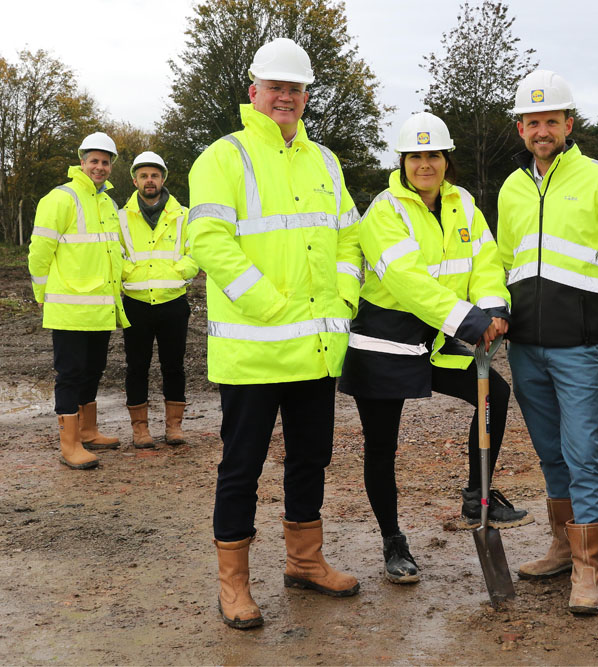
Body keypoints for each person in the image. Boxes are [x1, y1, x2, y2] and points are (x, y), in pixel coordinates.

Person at [187, 38, 363, 629]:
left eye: (296, 88)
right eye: (276, 86)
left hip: (315, 349)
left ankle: (304, 562)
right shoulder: (222, 157)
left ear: (306, 95)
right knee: (242, 466)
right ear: (253, 91)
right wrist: (267, 303)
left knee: (310, 460)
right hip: (254, 352)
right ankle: (233, 584)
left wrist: (343, 298)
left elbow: (347, 238)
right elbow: (208, 242)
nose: (286, 96)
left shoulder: (326, 161)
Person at [339, 112, 530, 585]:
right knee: (382, 446)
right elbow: (408, 282)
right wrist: (469, 321)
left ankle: (476, 495)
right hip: (386, 340)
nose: (425, 164)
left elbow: (485, 261)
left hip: (440, 336)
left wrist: (493, 307)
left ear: (447, 160)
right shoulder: (385, 210)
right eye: (416, 156)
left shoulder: (463, 203)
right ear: (402, 162)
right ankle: (392, 541)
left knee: (494, 396)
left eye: (434, 155)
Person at [496, 69, 598, 614]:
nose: (541, 130)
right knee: (551, 452)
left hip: (576, 345)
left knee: (583, 454)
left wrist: (595, 315)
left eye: (551, 120)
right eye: (532, 122)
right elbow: (504, 261)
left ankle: (588, 568)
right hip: (524, 345)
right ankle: (561, 546)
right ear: (520, 128)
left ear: (568, 124)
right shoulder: (511, 187)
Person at [28, 132, 129, 469]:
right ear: (82, 161)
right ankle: (69, 444)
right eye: (94, 160)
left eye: (105, 162)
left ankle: (88, 430)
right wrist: (41, 294)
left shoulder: (108, 203)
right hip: (69, 307)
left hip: (99, 309)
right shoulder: (60, 198)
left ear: (111, 166)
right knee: (69, 374)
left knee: (93, 370)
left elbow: (112, 254)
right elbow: (40, 252)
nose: (99, 167)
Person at [118, 151, 197, 448]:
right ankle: (140, 430)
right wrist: (130, 273)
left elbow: (195, 250)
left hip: (173, 301)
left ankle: (174, 427)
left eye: (154, 175)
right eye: (143, 176)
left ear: (163, 178)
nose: (149, 180)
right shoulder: (121, 217)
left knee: (173, 366)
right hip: (136, 302)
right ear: (135, 180)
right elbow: (114, 253)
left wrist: (181, 272)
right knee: (136, 366)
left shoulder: (183, 215)